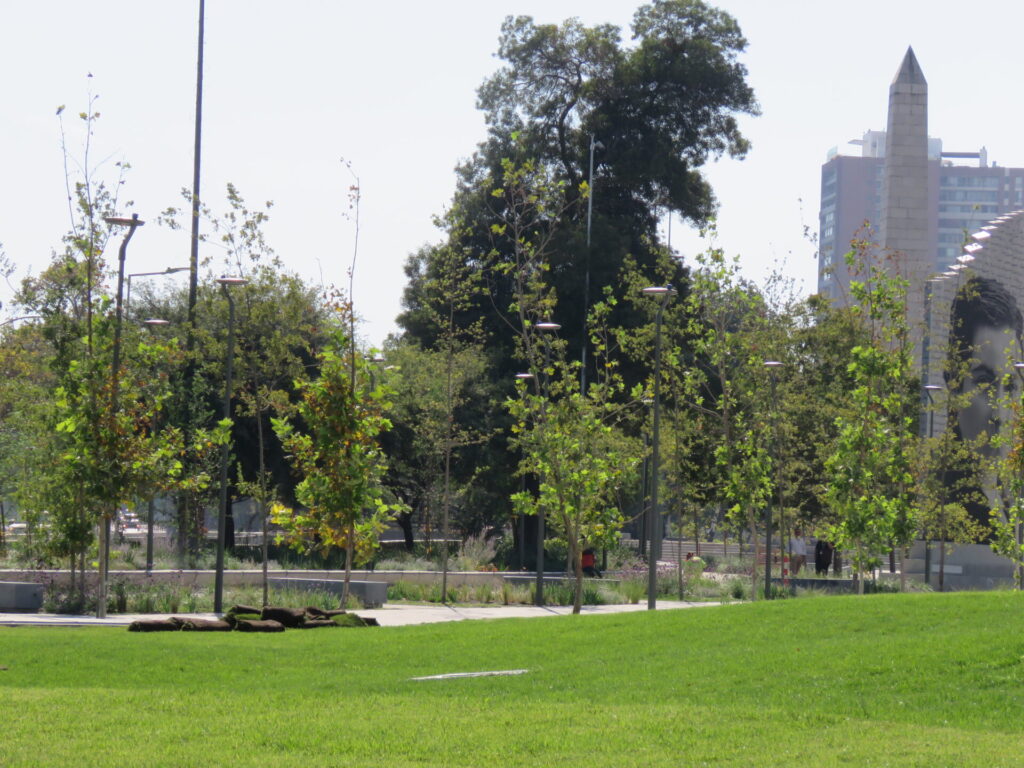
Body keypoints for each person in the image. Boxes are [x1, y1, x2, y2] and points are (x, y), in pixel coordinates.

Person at [945, 276, 1024, 524]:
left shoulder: (1012, 493)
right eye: (984, 382)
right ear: (953, 381)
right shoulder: (944, 495)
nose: (999, 415)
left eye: (1010, 385)